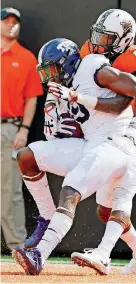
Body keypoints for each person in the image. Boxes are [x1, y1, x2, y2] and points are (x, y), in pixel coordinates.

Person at [12, 32, 136, 275]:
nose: (50, 77)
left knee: (71, 189)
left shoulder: (91, 65)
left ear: (66, 63)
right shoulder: (61, 89)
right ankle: (46, 220)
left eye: (53, 69)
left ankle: (39, 254)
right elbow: (60, 133)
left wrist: (133, 128)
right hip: (91, 143)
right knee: (27, 156)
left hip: (115, 143)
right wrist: (59, 119)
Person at [69, 9, 136, 274]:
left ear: (124, 39)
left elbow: (128, 99)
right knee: (105, 210)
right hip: (114, 132)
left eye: (107, 37)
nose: (98, 42)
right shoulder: (89, 49)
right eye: (98, 34)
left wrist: (133, 127)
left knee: (124, 187)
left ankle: (103, 254)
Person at [1, 7, 43, 251]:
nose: (11, 25)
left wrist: (24, 129)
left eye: (15, 22)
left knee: (10, 191)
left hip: (10, 128)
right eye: (6, 21)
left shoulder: (26, 58)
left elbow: (32, 98)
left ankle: (18, 246)